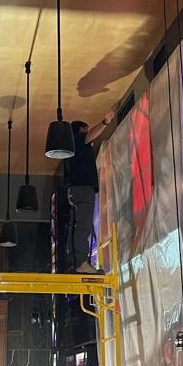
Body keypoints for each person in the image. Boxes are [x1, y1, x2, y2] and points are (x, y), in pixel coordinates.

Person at [65, 111, 114, 273]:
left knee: (76, 227)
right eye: (86, 130)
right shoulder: (78, 140)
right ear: (81, 130)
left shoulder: (71, 148)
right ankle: (81, 263)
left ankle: (73, 262)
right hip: (83, 189)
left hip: (74, 190)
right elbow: (91, 135)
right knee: (83, 226)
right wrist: (104, 122)